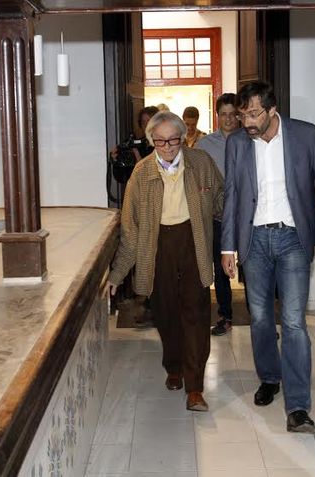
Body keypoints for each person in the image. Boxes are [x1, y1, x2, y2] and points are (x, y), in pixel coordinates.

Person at [221, 81, 315, 433]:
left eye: (254, 114)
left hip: (293, 239)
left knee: (294, 322)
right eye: (242, 115)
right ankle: (270, 377)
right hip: (254, 241)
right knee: (260, 318)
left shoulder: (306, 136)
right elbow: (232, 195)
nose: (247, 122)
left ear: (272, 109)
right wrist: (227, 247)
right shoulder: (237, 143)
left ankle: (298, 406)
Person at [105, 111, 223, 412]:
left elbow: (222, 202)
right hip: (156, 248)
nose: (168, 148)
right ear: (151, 141)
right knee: (166, 314)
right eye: (160, 142)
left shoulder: (201, 163)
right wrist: (117, 273)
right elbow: (130, 230)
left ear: (183, 138)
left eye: (173, 140)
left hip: (194, 243)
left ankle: (195, 387)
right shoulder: (141, 173)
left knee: (196, 314)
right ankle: (174, 366)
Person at [196, 93, 239, 336]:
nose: (229, 119)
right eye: (224, 114)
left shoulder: (251, 140)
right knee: (220, 268)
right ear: (217, 116)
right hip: (217, 216)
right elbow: (193, 175)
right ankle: (225, 316)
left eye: (233, 114)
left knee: (254, 269)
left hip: (247, 216)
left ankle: (260, 320)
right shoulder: (204, 145)